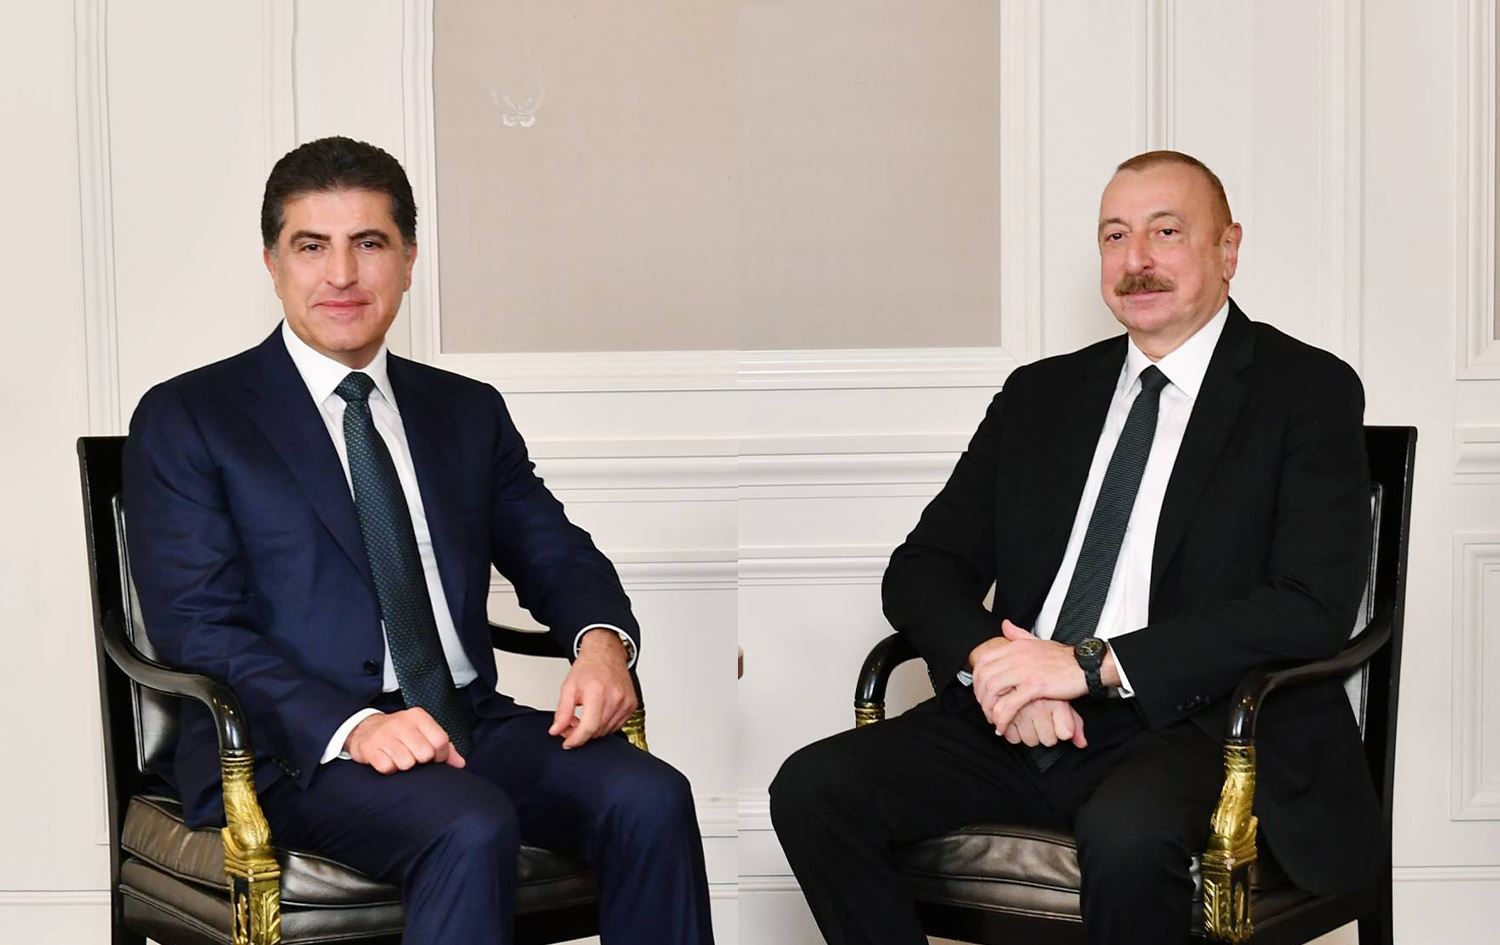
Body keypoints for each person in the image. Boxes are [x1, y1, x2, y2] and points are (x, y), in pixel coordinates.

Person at [769, 150, 1379, 945]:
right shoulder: (1040, 395)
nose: (1137, 259)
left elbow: (1310, 606)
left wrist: (1090, 664)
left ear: (1228, 249)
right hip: (1020, 718)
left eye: (1166, 231)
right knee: (814, 787)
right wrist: (1001, 666)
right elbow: (922, 569)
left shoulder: (1305, 390)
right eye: (1114, 236)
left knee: (1129, 839)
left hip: (1198, 724)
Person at [122, 136, 713, 945]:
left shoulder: (464, 410)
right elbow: (199, 628)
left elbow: (555, 551)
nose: (341, 274)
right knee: (467, 821)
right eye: (311, 246)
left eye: (369, 243)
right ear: (272, 263)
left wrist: (603, 642)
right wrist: (354, 724)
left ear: (407, 261)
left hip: (465, 720)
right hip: (292, 749)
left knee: (652, 796)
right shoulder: (191, 415)